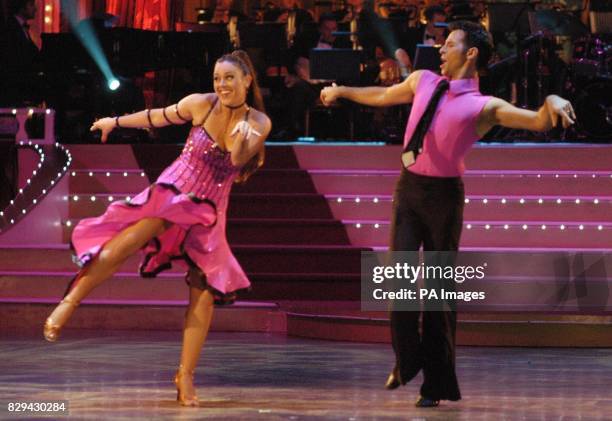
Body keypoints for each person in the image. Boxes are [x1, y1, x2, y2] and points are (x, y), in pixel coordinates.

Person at [321, 21, 575, 407]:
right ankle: (408, 362)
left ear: (470, 53)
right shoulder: (423, 80)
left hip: (443, 198)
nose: (440, 49)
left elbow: (537, 120)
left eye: (450, 43)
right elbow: (384, 95)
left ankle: (435, 386)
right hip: (408, 190)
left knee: (438, 294)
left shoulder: (484, 106)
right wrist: (342, 91)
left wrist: (552, 100)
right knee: (398, 284)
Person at [43, 50, 272, 407]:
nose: (222, 85)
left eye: (229, 78)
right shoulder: (201, 104)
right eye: (217, 78)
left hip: (211, 208)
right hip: (176, 188)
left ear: (247, 80)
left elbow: (239, 157)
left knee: (204, 286)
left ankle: (186, 375)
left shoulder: (259, 121)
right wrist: (114, 122)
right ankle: (69, 302)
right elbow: (155, 116)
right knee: (129, 239)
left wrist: (243, 136)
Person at [0, 0, 41, 106]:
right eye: (31, 5)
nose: (35, 9)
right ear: (21, 7)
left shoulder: (20, 28)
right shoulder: (9, 29)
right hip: (14, 88)